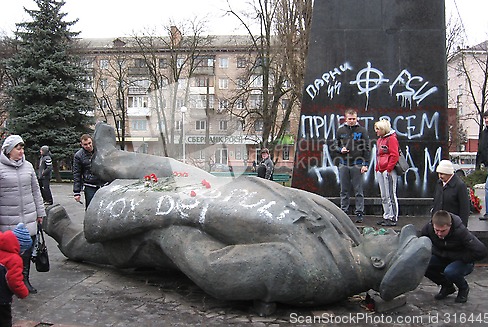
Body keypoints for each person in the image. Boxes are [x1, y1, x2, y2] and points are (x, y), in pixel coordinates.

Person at [43, 121, 432, 307]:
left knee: (128, 243)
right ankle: (108, 160)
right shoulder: (347, 239)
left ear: (379, 260)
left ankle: (69, 239)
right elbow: (292, 195)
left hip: (192, 219)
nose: (389, 232)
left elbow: (218, 269)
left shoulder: (312, 271)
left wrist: (169, 227)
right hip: (223, 196)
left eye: (393, 241)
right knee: (165, 168)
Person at [0, 135, 46, 294]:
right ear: (8, 150)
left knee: (27, 251)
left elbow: (36, 190)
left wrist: (40, 212)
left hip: (28, 216)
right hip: (8, 218)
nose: (21, 151)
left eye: (22, 148)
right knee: (10, 253)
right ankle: (8, 280)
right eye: (17, 148)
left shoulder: (28, 166)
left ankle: (24, 279)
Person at [420, 210, 487, 303]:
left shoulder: (461, 232)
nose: (439, 234)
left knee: (450, 271)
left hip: (462, 261)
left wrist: (463, 258)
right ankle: (447, 286)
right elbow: (421, 242)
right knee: (422, 264)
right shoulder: (428, 228)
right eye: (437, 230)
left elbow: (481, 251)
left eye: (443, 231)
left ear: (450, 225)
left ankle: (463, 288)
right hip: (442, 257)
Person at [335, 108, 370, 223]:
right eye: (349, 119)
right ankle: (344, 212)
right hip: (344, 164)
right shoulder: (340, 131)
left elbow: (367, 148)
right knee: (344, 190)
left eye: (354, 119)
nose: (351, 121)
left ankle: (359, 213)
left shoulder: (362, 130)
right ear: (345, 118)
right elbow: (335, 145)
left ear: (357, 118)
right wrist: (341, 149)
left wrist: (365, 164)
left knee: (358, 190)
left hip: (357, 164)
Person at [0, 223, 31, 327]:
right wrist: (23, 292)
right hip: (2, 298)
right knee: (5, 320)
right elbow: (14, 280)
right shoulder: (14, 259)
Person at [374, 119, 399, 226]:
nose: (376, 131)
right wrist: (377, 168)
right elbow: (378, 155)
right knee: (384, 195)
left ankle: (393, 216)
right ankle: (386, 215)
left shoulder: (391, 139)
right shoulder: (380, 140)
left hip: (388, 170)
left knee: (390, 194)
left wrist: (388, 169)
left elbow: (394, 155)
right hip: (380, 169)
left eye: (378, 129)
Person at [431, 159, 470, 227]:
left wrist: (462, 227)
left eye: (442, 174)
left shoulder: (460, 185)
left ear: (449, 173)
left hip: (453, 225)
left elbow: (464, 209)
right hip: (438, 223)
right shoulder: (439, 183)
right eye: (439, 173)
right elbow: (436, 203)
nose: (440, 176)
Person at [73, 134, 105, 210]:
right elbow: (77, 173)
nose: (88, 146)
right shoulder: (79, 156)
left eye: (89, 143)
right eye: (85, 144)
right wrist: (77, 192)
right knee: (91, 208)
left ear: (92, 142)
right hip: (90, 185)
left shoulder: (100, 151)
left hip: (103, 184)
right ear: (81, 144)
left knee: (104, 207)